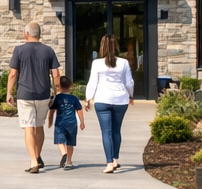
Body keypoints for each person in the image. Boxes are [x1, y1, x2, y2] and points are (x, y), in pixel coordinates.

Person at [7, 22, 60, 174]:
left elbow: (12, 74)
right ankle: (38, 155)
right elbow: (56, 74)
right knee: (39, 126)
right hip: (43, 94)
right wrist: (56, 93)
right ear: (39, 34)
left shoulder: (19, 50)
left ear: (26, 33)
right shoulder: (48, 50)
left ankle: (33, 161)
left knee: (28, 128)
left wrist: (9, 93)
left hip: (25, 95)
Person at [85, 34, 136, 173]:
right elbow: (129, 82)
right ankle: (115, 159)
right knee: (116, 130)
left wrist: (88, 98)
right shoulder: (124, 63)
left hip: (102, 99)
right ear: (116, 46)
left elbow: (92, 82)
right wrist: (131, 95)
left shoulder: (97, 63)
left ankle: (109, 163)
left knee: (106, 132)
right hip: (120, 100)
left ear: (102, 46)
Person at [47, 76, 85, 169]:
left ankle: (64, 153)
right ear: (70, 86)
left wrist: (50, 121)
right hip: (72, 122)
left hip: (60, 123)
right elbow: (79, 110)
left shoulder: (57, 98)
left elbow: (52, 111)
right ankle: (69, 161)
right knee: (70, 143)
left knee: (60, 141)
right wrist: (82, 122)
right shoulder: (74, 98)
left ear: (58, 87)